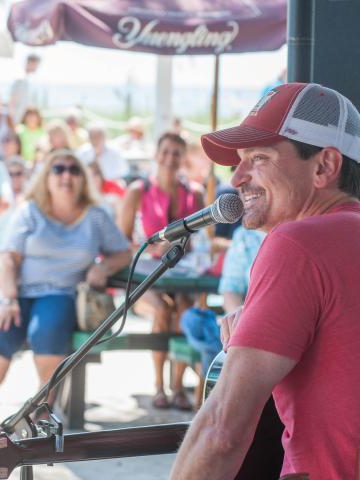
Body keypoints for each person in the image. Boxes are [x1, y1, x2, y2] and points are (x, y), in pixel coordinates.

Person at [170, 83, 360, 480]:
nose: (237, 178)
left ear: (324, 166)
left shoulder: (297, 244)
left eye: (259, 158)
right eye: (239, 161)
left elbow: (221, 432)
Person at [0, 149, 131, 430]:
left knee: (47, 329)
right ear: (47, 177)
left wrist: (103, 267)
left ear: (82, 178)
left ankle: (44, 411)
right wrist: (7, 299)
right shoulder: (30, 210)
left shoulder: (96, 216)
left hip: (61, 292)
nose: (66, 175)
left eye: (73, 170)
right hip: (18, 290)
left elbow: (124, 252)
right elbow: (9, 258)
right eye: (59, 169)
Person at [119, 132, 204, 411]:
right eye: (165, 152)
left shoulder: (195, 193)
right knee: (161, 311)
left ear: (183, 158)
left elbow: (200, 240)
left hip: (181, 273)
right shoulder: (138, 191)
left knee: (183, 309)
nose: (170, 158)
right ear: (156, 155)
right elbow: (120, 242)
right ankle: (159, 385)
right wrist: (150, 246)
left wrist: (183, 244)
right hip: (146, 275)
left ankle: (178, 386)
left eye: (176, 153)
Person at [218, 226, 266, 313]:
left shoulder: (294, 230)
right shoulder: (244, 235)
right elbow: (230, 289)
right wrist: (241, 321)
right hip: (253, 318)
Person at [8, 53, 41, 124]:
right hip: (17, 120)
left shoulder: (27, 80)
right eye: (36, 64)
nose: (36, 67)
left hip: (24, 121)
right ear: (30, 63)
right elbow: (13, 101)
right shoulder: (19, 79)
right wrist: (12, 121)